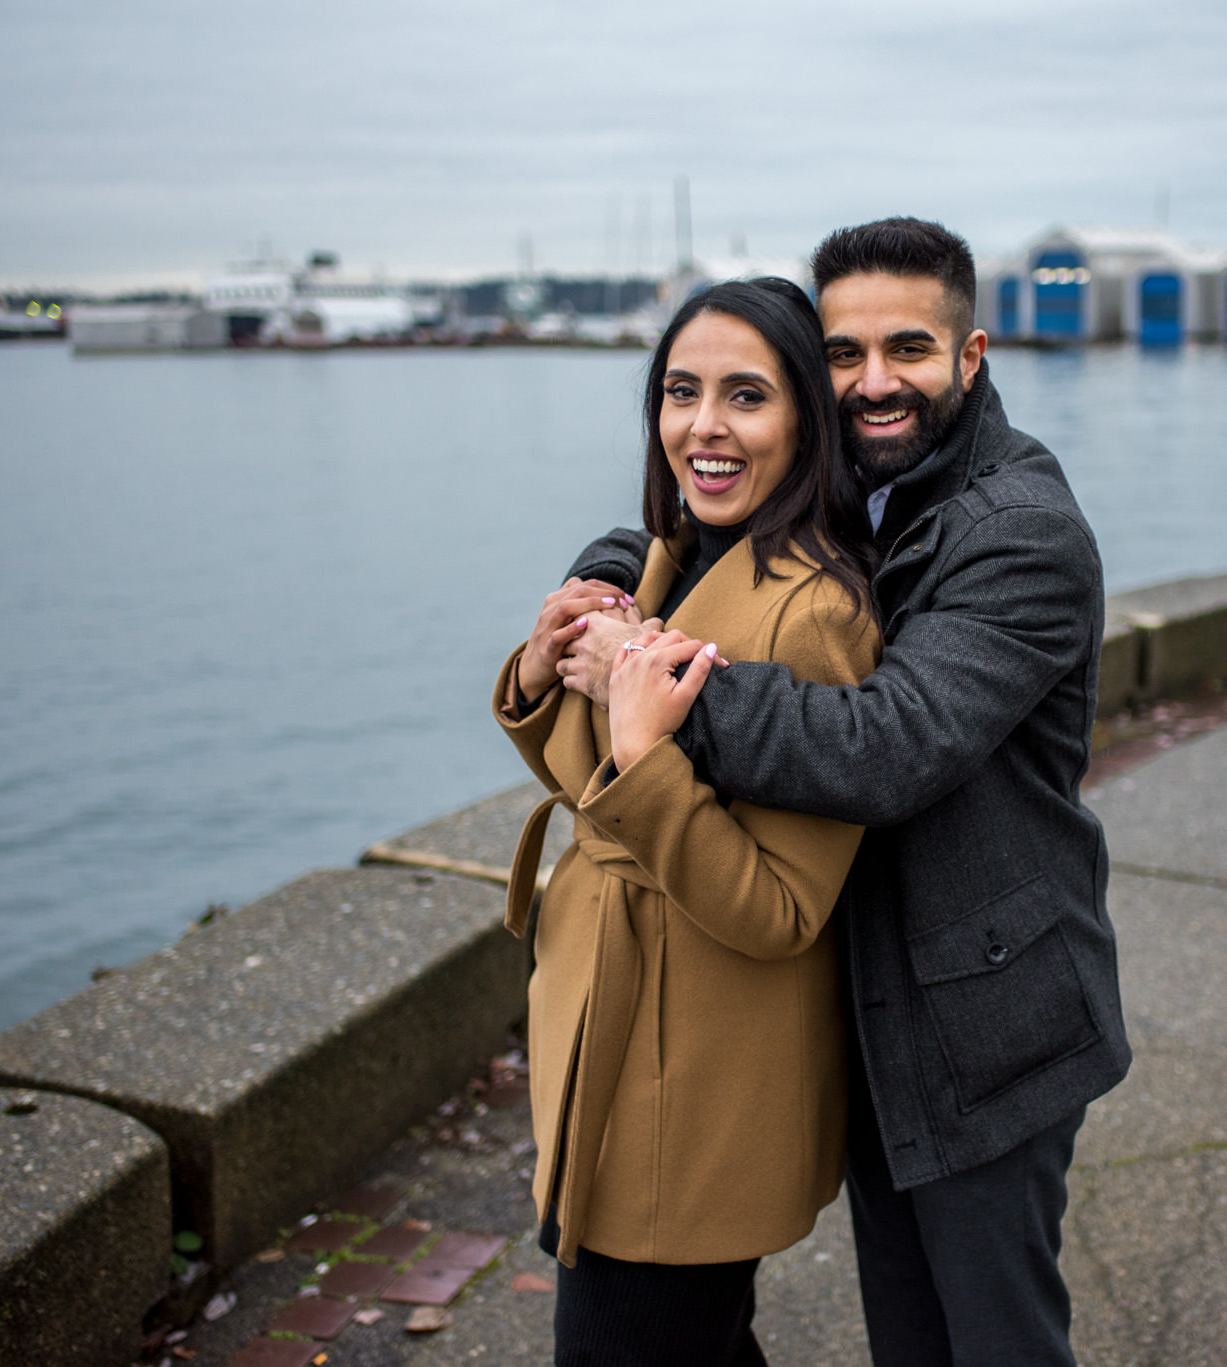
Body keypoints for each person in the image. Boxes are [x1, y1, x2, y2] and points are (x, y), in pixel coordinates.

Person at [552, 218, 1130, 1367]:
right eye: (842, 353)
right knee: (911, 1339)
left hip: (984, 1012)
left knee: (993, 1339)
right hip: (873, 994)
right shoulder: (868, 479)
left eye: (908, 349)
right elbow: (704, 510)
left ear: (970, 357)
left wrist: (656, 683)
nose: (874, 382)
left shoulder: (1020, 531)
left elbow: (888, 745)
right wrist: (618, 567)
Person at [494, 277, 882, 1366]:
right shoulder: (673, 553)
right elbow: (600, 782)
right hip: (607, 1023)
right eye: (679, 391)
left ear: (806, 417)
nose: (701, 427)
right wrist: (537, 675)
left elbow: (780, 908)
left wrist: (646, 757)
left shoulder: (815, 610)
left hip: (697, 1066)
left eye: (745, 396)